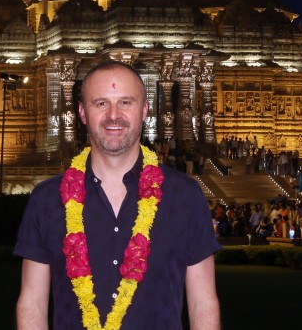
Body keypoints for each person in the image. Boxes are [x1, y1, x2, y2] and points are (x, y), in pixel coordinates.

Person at [15, 61, 221, 329]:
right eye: (101, 103)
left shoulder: (184, 196)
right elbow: (32, 302)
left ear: (144, 110)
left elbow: (202, 302)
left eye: (126, 102)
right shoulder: (47, 199)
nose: (114, 115)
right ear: (82, 112)